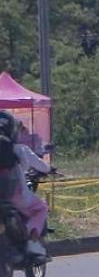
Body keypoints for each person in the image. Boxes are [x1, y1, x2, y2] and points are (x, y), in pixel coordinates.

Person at [0, 111, 52, 261]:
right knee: (40, 208)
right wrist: (49, 169)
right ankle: (32, 242)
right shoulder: (18, 149)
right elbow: (40, 165)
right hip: (13, 194)